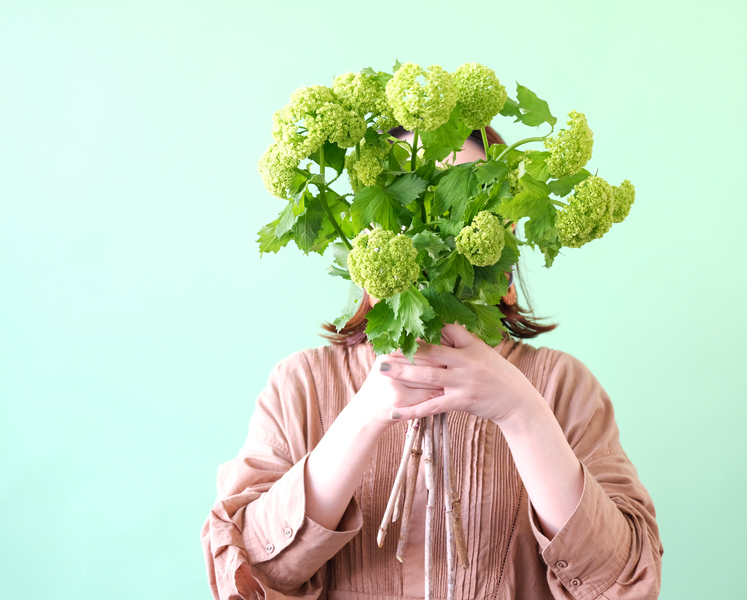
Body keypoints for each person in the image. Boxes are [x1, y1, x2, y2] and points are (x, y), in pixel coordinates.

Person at [201, 126, 663, 600]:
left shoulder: (563, 386)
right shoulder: (302, 384)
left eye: (466, 200)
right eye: (410, 202)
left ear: (505, 237)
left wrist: (523, 414)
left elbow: (624, 583)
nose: (434, 232)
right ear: (369, 231)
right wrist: (364, 415)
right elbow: (248, 574)